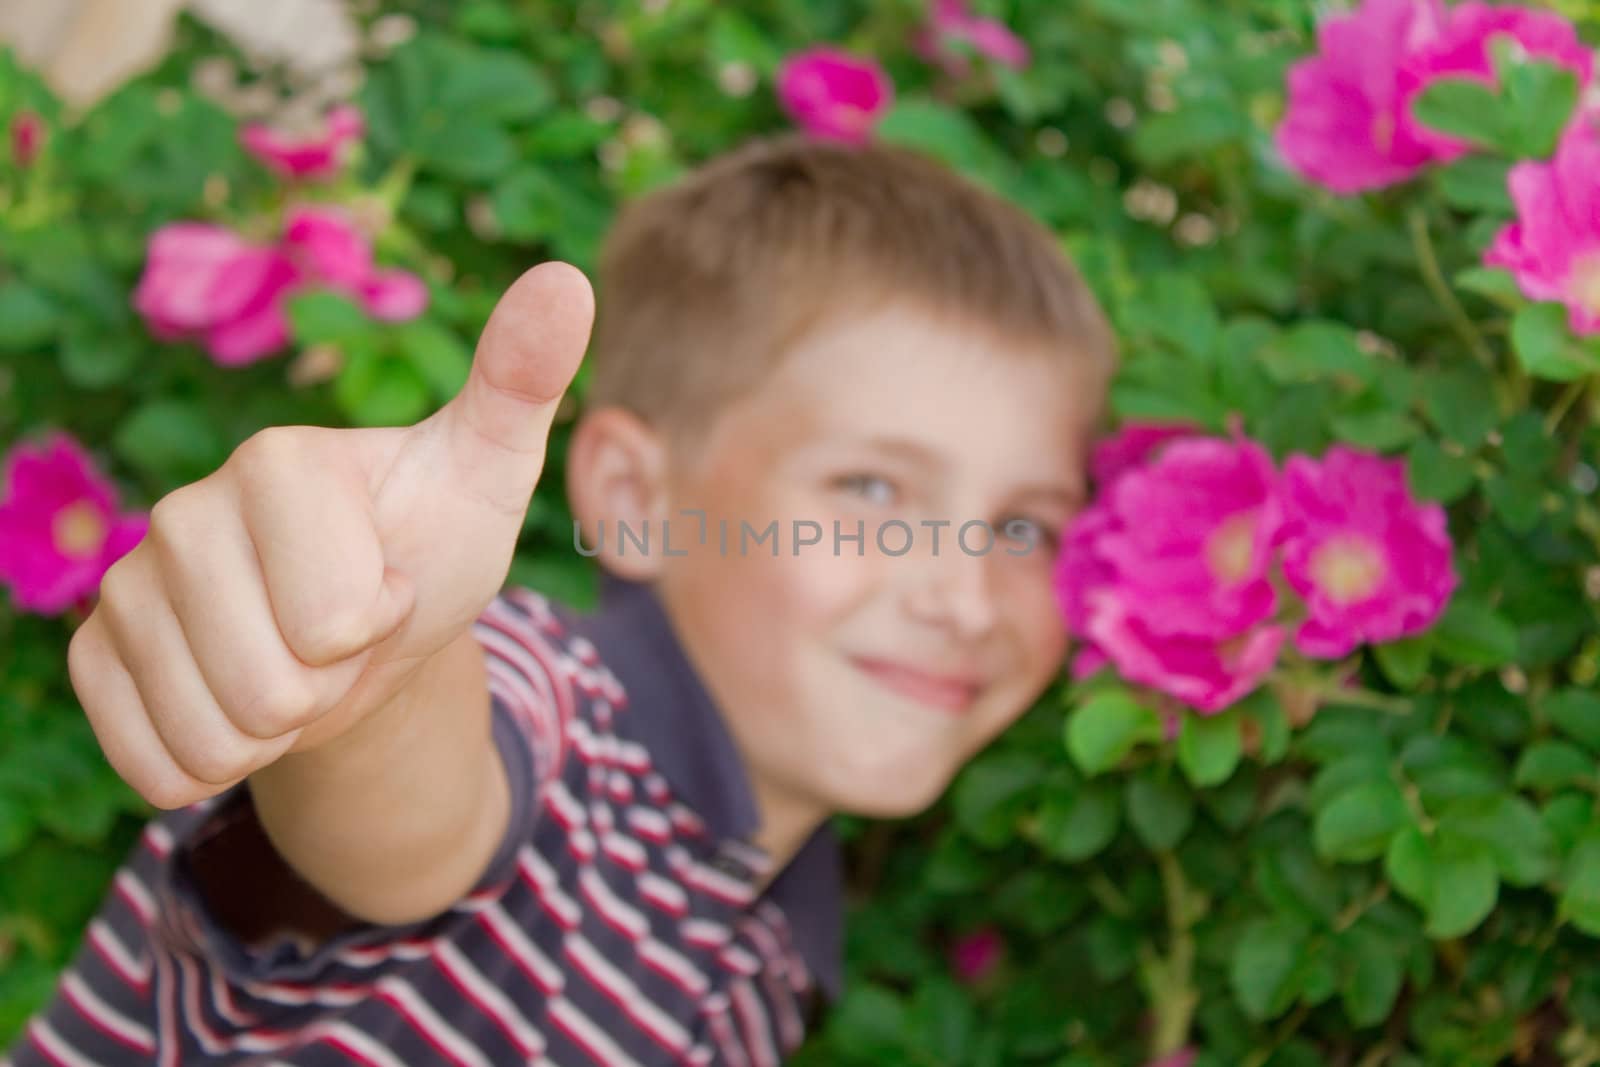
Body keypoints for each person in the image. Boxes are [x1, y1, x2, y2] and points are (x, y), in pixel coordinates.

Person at [4, 131, 1117, 1066]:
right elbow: (425, 808)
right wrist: (366, 685)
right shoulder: (557, 715)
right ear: (635, 495)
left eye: (1025, 525)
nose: (968, 595)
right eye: (872, 489)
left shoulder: (769, 948)